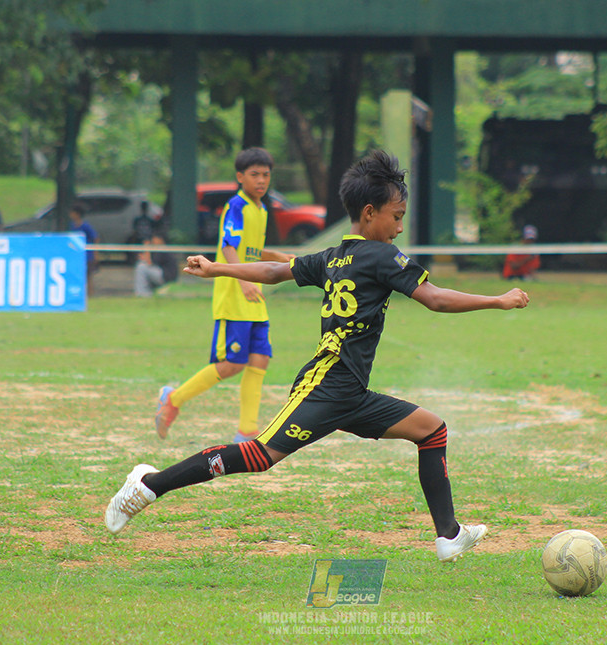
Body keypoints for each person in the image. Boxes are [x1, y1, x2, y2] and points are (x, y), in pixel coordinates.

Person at [107, 150, 530, 562]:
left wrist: (218, 268)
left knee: (432, 431)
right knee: (258, 457)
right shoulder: (382, 255)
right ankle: (147, 486)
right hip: (326, 385)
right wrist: (498, 299)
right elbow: (434, 299)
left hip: (351, 391)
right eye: (396, 217)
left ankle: (449, 535)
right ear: (369, 213)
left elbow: (275, 271)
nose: (399, 228)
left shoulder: (334, 256)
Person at [155, 147, 293, 444]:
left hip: (253, 296)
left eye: (266, 175)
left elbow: (251, 250)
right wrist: (243, 280)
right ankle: (173, 399)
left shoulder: (261, 209)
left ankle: (247, 432)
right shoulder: (236, 206)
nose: (261, 180)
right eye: (254, 174)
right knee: (232, 364)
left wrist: (277, 256)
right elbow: (229, 246)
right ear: (240, 176)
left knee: (260, 360)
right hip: (234, 295)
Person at [68, 202, 99, 295]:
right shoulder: (72, 226)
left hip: (87, 255)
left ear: (77, 214)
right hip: (76, 255)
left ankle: (90, 294)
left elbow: (95, 238)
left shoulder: (85, 226)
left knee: (88, 276)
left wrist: (95, 254)